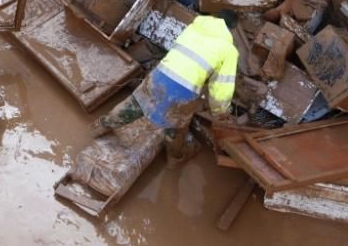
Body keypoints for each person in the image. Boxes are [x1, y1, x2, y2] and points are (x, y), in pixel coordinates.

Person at [91, 10, 239, 165]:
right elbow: (222, 90)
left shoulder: (194, 27)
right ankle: (175, 158)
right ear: (232, 29)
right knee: (175, 126)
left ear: (215, 18)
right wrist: (220, 113)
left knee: (135, 105)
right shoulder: (229, 50)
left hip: (160, 74)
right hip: (184, 89)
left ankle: (101, 126)